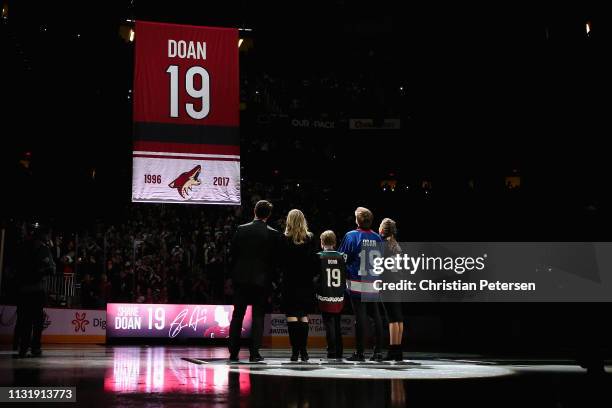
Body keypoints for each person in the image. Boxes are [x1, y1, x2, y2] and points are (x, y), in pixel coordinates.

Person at [228, 200, 281, 362]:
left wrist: (233, 276)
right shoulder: (273, 233)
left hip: (241, 279)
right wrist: (273, 281)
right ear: (269, 215)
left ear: (255, 211)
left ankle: (233, 352)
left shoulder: (241, 229)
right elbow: (274, 261)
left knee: (238, 316)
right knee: (258, 316)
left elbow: (233, 255)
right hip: (262, 281)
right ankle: (255, 353)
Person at [338, 207, 384, 362]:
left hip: (358, 282)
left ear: (358, 220)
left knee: (361, 317)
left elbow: (342, 258)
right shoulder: (378, 237)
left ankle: (360, 353)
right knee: (376, 316)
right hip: (374, 281)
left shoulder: (351, 236)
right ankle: (378, 352)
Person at [14, 224, 56, 358]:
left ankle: (23, 347)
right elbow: (51, 269)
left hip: (23, 290)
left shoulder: (22, 247)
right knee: (37, 321)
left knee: (24, 320)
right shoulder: (43, 249)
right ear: (43, 235)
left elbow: (15, 269)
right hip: (36, 290)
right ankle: (35, 347)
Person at [281, 209, 317, 362]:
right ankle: (304, 351)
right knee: (303, 316)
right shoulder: (310, 238)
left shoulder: (284, 239)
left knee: (292, 317)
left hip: (290, 282)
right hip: (306, 283)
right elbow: (315, 263)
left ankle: (295, 352)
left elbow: (280, 263)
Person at [316, 230, 346, 360]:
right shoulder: (342, 256)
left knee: (329, 324)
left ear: (322, 242)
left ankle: (332, 351)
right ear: (334, 242)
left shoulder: (319, 256)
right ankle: (339, 350)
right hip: (339, 294)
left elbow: (316, 277)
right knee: (337, 323)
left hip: (325, 294)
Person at [378, 218, 404, 361]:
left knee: (392, 319)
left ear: (383, 230)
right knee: (398, 318)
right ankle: (398, 350)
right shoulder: (396, 244)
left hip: (388, 283)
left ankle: (393, 351)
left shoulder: (384, 245)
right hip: (396, 283)